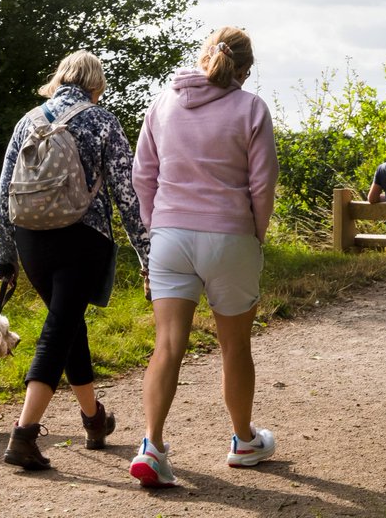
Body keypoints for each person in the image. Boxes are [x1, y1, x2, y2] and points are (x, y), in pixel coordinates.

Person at [129, 26, 279, 488]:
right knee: (235, 344)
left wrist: (159, 228)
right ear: (245, 69)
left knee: (167, 345)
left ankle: (152, 446)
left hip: (170, 235)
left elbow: (143, 175)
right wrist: (254, 234)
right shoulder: (251, 108)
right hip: (229, 236)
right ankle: (243, 441)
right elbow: (262, 184)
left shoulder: (163, 102)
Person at [0, 50, 150, 470]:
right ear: (96, 84)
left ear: (60, 78)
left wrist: (4, 256)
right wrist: (146, 255)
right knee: (59, 327)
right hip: (83, 237)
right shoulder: (102, 121)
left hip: (31, 241)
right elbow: (126, 194)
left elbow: (4, 191)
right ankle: (24, 435)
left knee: (67, 322)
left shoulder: (29, 119)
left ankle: (93, 419)